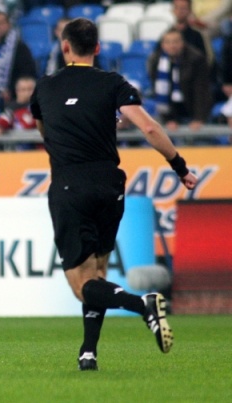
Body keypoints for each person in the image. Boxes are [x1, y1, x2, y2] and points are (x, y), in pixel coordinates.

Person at [29, 17, 199, 371]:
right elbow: (149, 127)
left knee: (82, 285)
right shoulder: (113, 83)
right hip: (109, 183)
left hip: (69, 184)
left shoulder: (44, 87)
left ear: (64, 47)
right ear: (98, 48)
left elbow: (43, 130)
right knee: (99, 272)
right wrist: (180, 167)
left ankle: (143, 305)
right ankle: (88, 352)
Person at [148, 28, 212, 132]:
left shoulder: (196, 59)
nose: (172, 46)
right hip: (171, 108)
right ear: (162, 45)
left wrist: (198, 118)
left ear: (182, 43)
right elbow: (158, 89)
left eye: (175, 42)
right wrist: (169, 119)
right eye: (168, 42)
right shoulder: (156, 60)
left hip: (192, 104)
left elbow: (201, 91)